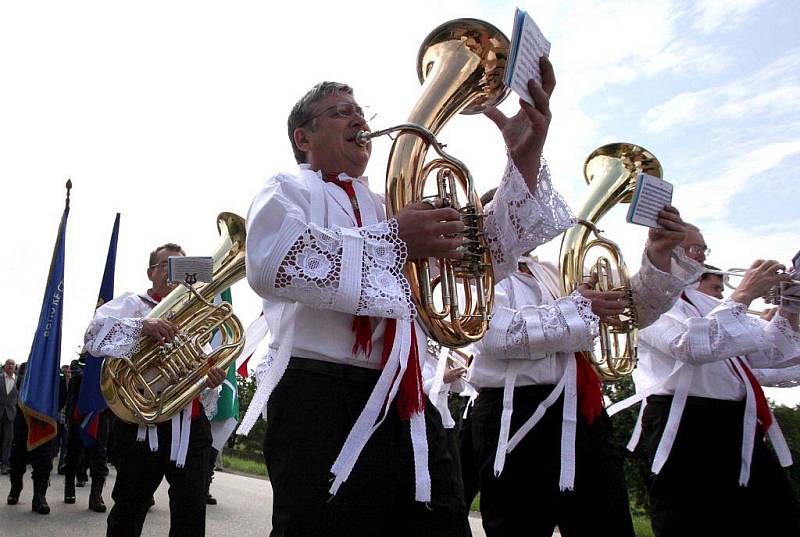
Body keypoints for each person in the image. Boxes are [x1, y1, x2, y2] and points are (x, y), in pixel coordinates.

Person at [242, 56, 575, 536]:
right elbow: (276, 262)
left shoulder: (390, 205)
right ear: (303, 137)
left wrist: (522, 159)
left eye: (360, 111)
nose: (358, 120)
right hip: (320, 396)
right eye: (339, 111)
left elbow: (479, 266)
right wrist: (396, 239)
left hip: (412, 396)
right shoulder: (287, 188)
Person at [466, 183, 700, 536]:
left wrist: (658, 257)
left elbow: (629, 314)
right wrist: (578, 309)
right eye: (517, 210)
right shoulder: (473, 266)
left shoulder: (552, 271)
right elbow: (493, 335)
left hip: (584, 410)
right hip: (515, 413)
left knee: (608, 524)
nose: (530, 220)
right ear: (490, 218)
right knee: (519, 525)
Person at [608, 225, 800, 536]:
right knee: (692, 521)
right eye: (695, 249)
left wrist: (791, 306)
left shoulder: (708, 303)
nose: (702, 257)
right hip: (684, 423)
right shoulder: (643, 298)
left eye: (704, 249)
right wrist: (744, 294)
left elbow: (771, 353)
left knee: (779, 519)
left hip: (737, 423)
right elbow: (690, 346)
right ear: (667, 247)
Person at [82, 243, 225, 537]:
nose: (174, 273)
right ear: (151, 273)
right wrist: (142, 327)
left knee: (192, 511)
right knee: (129, 510)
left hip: (190, 425)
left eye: (183, 267)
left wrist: (211, 376)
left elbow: (203, 361)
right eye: (166, 265)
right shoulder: (133, 304)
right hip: (141, 425)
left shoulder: (197, 311)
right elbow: (93, 335)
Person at [6, 361, 55, 514]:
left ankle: (39, 497)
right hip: (23, 424)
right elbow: (20, 385)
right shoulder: (26, 368)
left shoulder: (51, 374)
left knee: (43, 462)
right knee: (17, 461)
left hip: (43, 423)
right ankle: (15, 488)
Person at [0, 359, 17, 475]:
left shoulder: (19, 380)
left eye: (12, 364)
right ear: (4, 366)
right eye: (8, 364)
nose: (10, 366)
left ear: (15, 367)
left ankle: (5, 464)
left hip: (11, 414)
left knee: (9, 439)